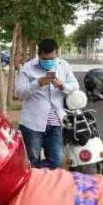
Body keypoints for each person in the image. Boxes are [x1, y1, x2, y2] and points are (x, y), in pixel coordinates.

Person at [15, 38, 79, 169]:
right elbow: (19, 93)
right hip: (33, 124)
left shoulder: (64, 66)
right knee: (32, 160)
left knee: (57, 161)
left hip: (55, 122)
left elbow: (75, 86)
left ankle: (38, 174)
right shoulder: (28, 68)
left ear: (57, 54)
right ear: (39, 55)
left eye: (52, 58)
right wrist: (37, 83)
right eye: (45, 59)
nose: (49, 62)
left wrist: (63, 86)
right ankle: (35, 181)